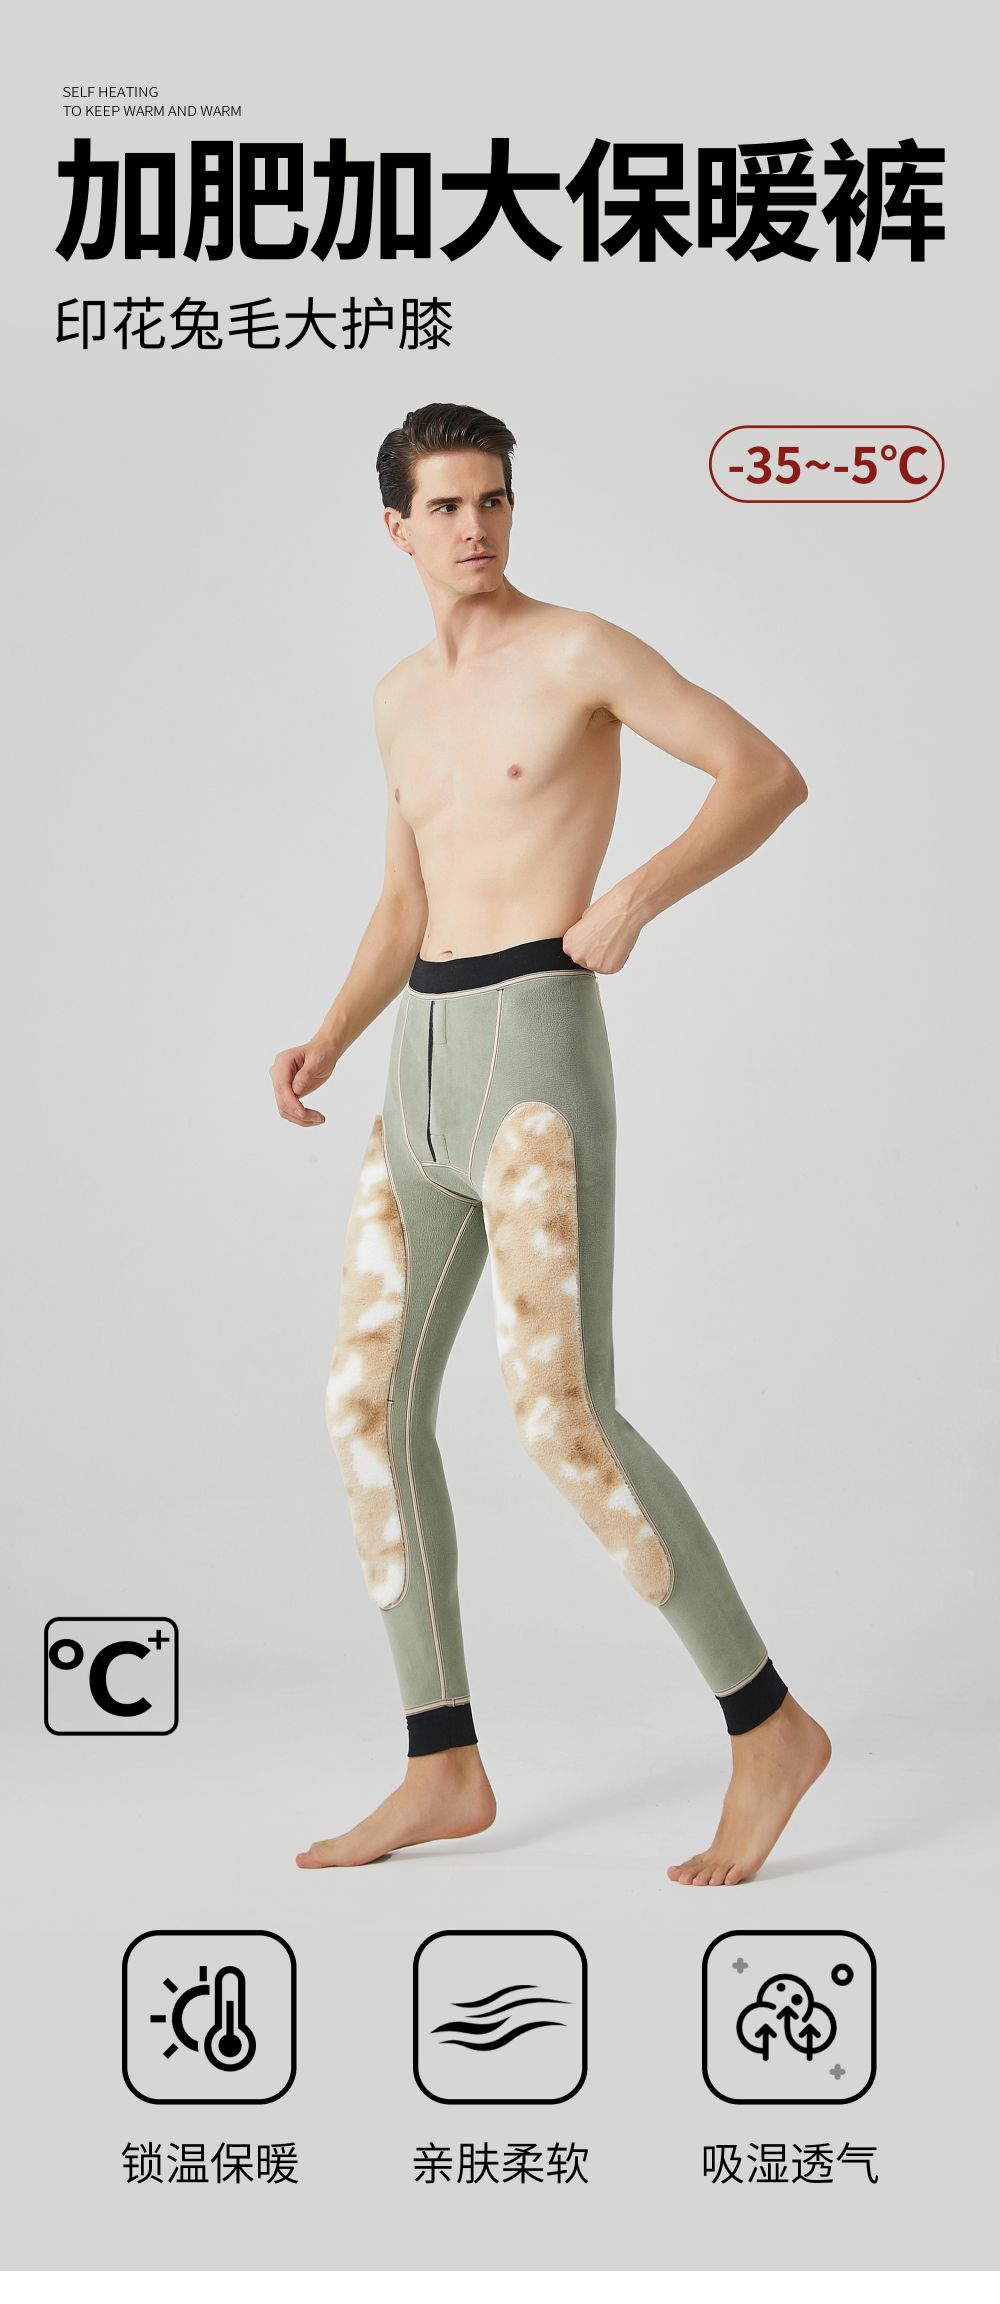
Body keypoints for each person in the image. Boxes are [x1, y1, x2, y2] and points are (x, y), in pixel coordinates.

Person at [269, 401, 831, 1882]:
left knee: (564, 1416)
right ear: (395, 527)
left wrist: (635, 895)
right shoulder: (398, 697)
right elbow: (405, 900)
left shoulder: (581, 652)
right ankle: (441, 1763)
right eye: (447, 506)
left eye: (495, 500)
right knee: (364, 1406)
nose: (476, 528)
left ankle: (769, 1725)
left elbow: (764, 773)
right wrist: (332, 1033)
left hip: (532, 1049)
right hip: (419, 1063)